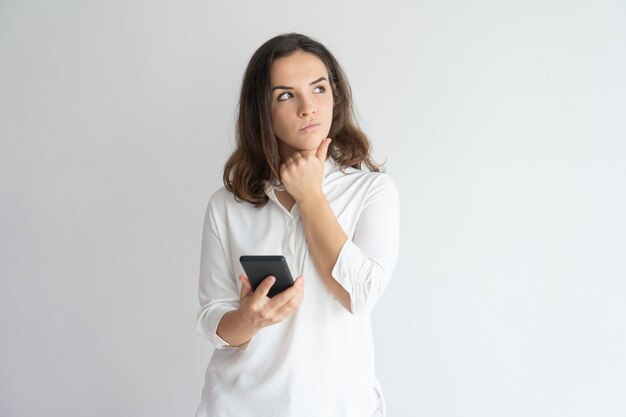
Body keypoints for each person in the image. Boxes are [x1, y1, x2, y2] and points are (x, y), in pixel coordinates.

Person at [195, 33, 399, 417]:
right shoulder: (227, 205)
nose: (309, 107)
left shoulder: (372, 191)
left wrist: (311, 197)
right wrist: (247, 320)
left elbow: (360, 294)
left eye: (318, 88)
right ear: (262, 110)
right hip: (237, 406)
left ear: (335, 94)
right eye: (286, 95)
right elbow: (212, 319)